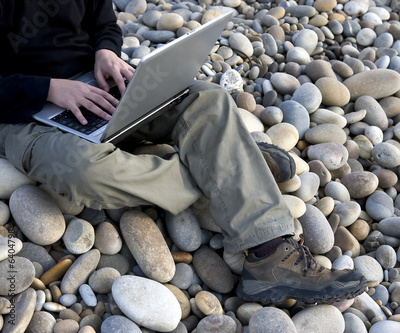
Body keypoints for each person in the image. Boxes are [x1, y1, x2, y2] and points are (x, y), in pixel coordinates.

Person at [0, 0, 366, 304]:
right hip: (23, 114)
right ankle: (232, 163)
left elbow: (103, 22)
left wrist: (106, 52)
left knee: (207, 98)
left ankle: (269, 255)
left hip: (99, 87)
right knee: (85, 172)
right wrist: (46, 89)